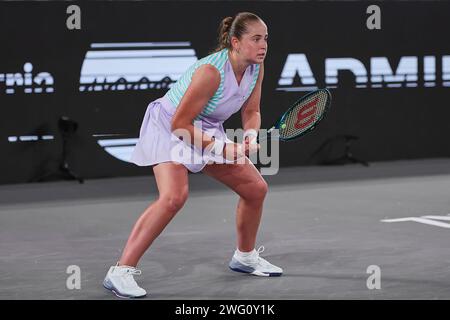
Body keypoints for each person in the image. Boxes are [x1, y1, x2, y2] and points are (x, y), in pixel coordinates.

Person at [103, 12, 283, 299]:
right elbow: (179, 125)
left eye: (266, 39)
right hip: (170, 125)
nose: (263, 45)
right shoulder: (210, 72)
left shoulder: (255, 68)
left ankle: (245, 257)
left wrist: (248, 136)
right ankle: (121, 271)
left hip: (205, 126)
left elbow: (251, 111)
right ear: (235, 42)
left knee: (255, 188)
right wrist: (225, 148)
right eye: (256, 39)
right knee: (174, 197)